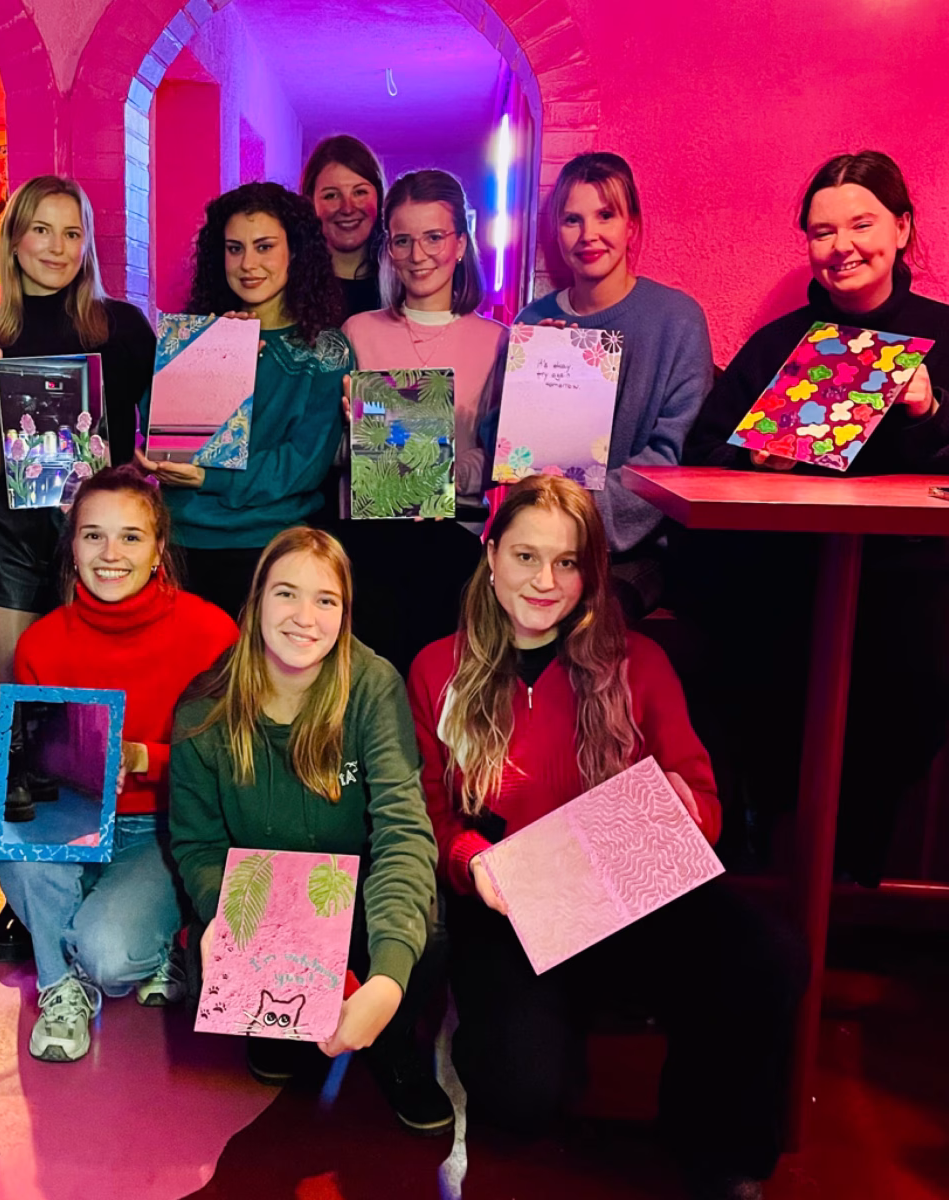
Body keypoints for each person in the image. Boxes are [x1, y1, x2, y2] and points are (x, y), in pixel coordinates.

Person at [407, 476, 807, 1200]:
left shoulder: (638, 661)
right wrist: (469, 860)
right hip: (514, 908)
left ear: (591, 573)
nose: (545, 581)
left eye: (567, 562)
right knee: (519, 1098)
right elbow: (431, 811)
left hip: (631, 892)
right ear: (490, 556)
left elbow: (704, 799)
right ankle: (532, 1036)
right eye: (526, 556)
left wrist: (686, 811)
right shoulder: (438, 667)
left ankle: (722, 1151)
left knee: (766, 954)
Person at [679, 150, 949, 881]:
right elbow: (702, 450)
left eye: (861, 224)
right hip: (785, 588)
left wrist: (929, 412)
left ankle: (852, 886)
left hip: (907, 592)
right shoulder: (779, 343)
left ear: (902, 228)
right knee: (741, 673)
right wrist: (757, 458)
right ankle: (777, 867)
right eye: (822, 232)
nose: (842, 247)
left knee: (909, 686)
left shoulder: (941, 335)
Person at [168, 526, 454, 1136]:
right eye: (286, 594)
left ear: (345, 613)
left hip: (353, 897)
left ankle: (394, 1042)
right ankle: (280, 1020)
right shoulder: (203, 709)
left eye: (326, 600)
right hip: (264, 902)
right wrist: (223, 917)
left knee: (422, 929)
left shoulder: (372, 686)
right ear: (255, 602)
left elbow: (403, 828)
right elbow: (198, 844)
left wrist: (387, 981)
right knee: (242, 1014)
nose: (305, 617)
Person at [0, 176, 157, 960]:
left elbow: (149, 437)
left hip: (95, 538)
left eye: (72, 233)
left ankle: (105, 873)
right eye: (40, 230)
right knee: (26, 715)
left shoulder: (122, 328)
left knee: (96, 702)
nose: (56, 247)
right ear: (12, 240)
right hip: (12, 535)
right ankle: (29, 899)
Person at [0, 465, 238, 1062]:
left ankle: (150, 938)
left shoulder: (210, 631)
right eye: (93, 535)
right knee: (13, 830)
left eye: (130, 536)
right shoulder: (41, 642)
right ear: (72, 546)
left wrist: (142, 756)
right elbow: (36, 768)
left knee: (108, 955)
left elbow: (232, 761)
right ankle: (58, 986)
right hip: (70, 821)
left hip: (161, 826)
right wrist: (10, 772)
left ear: (158, 549)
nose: (110, 554)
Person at [511, 152, 714, 618]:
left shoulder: (677, 320)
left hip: (632, 549)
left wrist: (579, 516)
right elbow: (504, 446)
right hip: (535, 537)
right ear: (556, 231)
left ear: (632, 226)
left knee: (581, 617)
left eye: (606, 215)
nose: (589, 235)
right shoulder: (534, 320)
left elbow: (672, 455)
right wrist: (530, 384)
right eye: (572, 220)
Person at [139, 183, 351, 619]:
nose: (248, 264)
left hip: (271, 546)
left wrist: (209, 478)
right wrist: (210, 358)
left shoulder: (326, 351)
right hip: (180, 541)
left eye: (264, 247)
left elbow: (302, 465)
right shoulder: (195, 335)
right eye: (235, 248)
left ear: (295, 252)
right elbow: (156, 434)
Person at [340, 168, 507, 676]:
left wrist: (440, 474)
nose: (418, 255)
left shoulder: (496, 341)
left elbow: (502, 456)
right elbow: (331, 454)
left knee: (441, 687)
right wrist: (355, 435)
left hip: (453, 542)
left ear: (460, 244)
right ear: (388, 248)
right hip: (369, 545)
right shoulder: (358, 332)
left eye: (434, 237)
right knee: (369, 687)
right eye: (403, 240)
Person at [301, 135, 385, 318]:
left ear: (379, 197)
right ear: (310, 202)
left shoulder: (404, 282)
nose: (347, 208)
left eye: (360, 192)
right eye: (331, 195)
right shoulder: (290, 283)